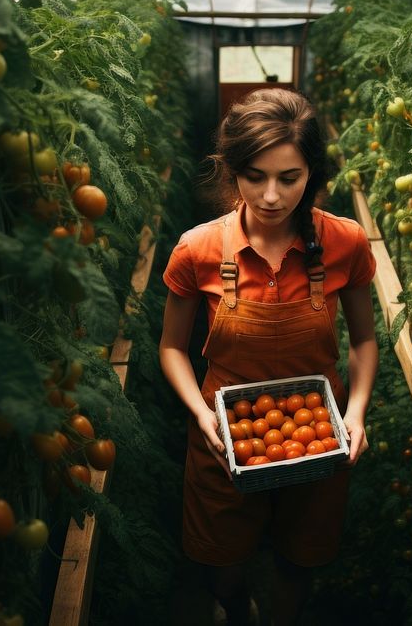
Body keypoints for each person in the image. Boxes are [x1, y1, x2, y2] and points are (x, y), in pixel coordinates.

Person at [158, 88, 379, 626]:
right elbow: (170, 348)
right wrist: (201, 413)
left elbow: (365, 341)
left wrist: (354, 414)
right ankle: (238, 609)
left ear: (312, 174)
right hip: (222, 429)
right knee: (222, 566)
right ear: (232, 172)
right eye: (255, 176)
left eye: (290, 177)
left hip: (319, 430)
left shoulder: (344, 242)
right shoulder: (199, 249)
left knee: (299, 558)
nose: (273, 196)